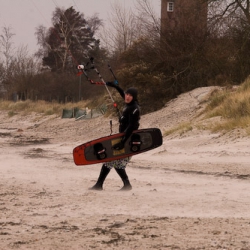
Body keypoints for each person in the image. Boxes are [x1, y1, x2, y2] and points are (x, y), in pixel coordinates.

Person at [89, 82, 140, 191]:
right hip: (122, 137)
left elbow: (131, 126)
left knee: (110, 160)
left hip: (128, 139)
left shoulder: (135, 109)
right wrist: (116, 86)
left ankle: (99, 185)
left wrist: (123, 142)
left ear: (134, 97)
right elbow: (123, 94)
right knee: (118, 164)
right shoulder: (129, 104)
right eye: (127, 94)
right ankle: (126, 185)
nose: (127, 96)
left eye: (130, 95)